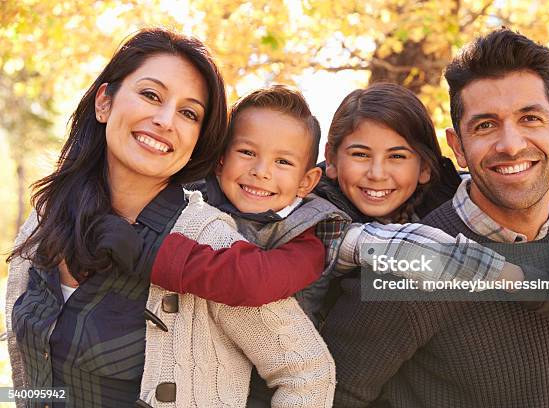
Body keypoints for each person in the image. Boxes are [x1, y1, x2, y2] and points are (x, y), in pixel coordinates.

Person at [5, 28, 333, 408]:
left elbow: (307, 374)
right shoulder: (45, 218)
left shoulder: (207, 241)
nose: (165, 120)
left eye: (188, 113)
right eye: (150, 95)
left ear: (198, 139)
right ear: (104, 103)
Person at [321, 28, 549, 407]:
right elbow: (330, 395)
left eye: (530, 119)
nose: (510, 145)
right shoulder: (403, 269)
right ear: (457, 147)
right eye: (485, 125)